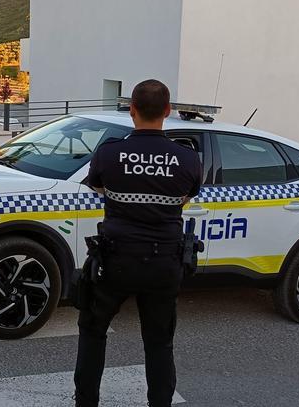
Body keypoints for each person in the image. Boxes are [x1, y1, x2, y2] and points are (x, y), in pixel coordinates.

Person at [74, 79, 202, 407]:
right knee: (159, 344)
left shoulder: (109, 153)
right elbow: (186, 197)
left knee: (92, 331)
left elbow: (99, 188)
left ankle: (85, 402)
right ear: (167, 112)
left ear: (131, 110)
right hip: (165, 264)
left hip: (116, 260)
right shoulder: (187, 159)